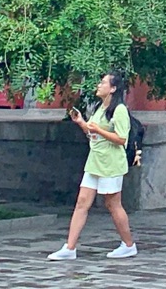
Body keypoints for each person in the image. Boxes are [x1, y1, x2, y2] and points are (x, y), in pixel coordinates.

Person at [47, 69, 137, 261]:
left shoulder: (119, 110)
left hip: (111, 163)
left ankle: (128, 244)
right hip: (95, 161)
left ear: (113, 88)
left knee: (113, 204)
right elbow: (93, 133)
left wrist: (98, 130)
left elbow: (122, 139)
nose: (99, 85)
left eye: (103, 83)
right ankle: (70, 247)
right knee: (82, 202)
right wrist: (81, 122)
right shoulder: (100, 107)